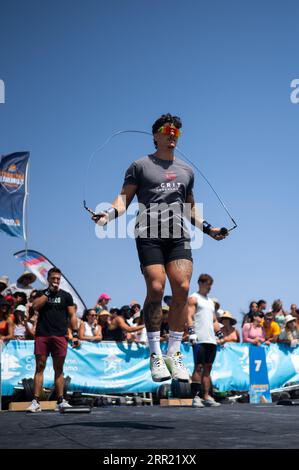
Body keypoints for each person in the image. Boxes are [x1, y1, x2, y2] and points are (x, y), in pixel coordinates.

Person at [91, 113, 228, 382]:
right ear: (155, 136)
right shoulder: (139, 166)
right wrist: (106, 216)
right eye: (167, 130)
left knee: (182, 288)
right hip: (149, 234)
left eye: (177, 130)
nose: (173, 134)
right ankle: (155, 354)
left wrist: (209, 229)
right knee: (156, 287)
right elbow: (122, 201)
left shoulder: (187, 171)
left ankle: (174, 353)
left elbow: (190, 209)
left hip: (178, 236)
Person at [26, 267, 81, 413]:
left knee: (59, 369)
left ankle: (61, 400)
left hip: (60, 336)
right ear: (48, 279)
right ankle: (36, 401)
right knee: (40, 367)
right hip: (42, 335)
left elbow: (72, 315)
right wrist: (49, 292)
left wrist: (75, 334)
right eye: (53, 278)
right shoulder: (41, 293)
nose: (56, 281)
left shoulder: (66, 296)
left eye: (58, 278)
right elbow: (35, 307)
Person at [187, 273, 224, 407]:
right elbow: (189, 316)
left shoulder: (210, 301)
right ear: (201, 283)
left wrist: (219, 334)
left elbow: (214, 320)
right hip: (199, 338)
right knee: (199, 367)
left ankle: (206, 396)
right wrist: (191, 332)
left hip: (211, 339)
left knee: (208, 367)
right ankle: (195, 397)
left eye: (211, 285)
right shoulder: (193, 298)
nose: (210, 288)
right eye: (208, 285)